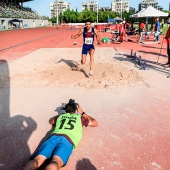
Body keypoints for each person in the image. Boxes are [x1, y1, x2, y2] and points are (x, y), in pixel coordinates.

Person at [23, 100, 98, 170]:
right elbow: (95, 123)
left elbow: (51, 121)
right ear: (76, 110)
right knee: (56, 161)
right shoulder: (80, 118)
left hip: (54, 137)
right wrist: (82, 113)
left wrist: (63, 115)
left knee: (38, 159)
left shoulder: (60, 117)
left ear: (65, 110)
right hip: (68, 140)